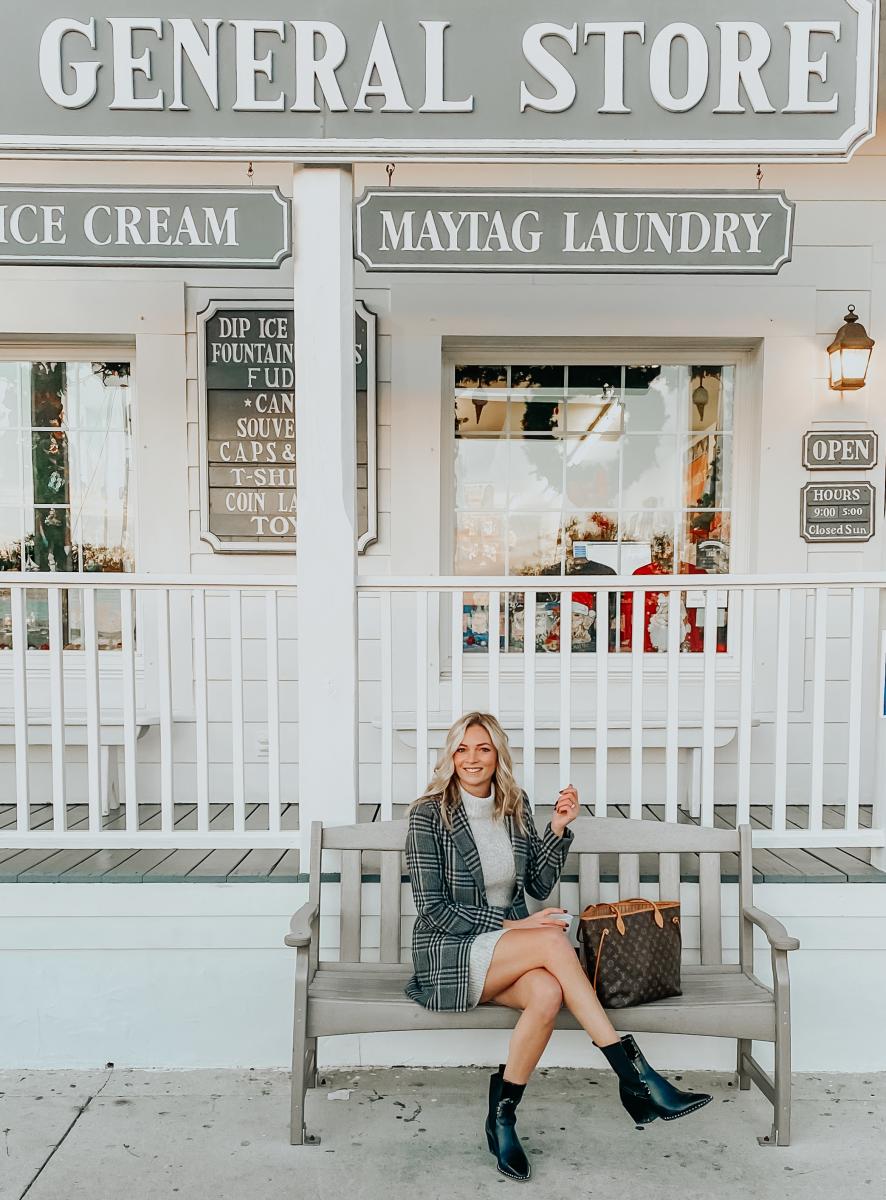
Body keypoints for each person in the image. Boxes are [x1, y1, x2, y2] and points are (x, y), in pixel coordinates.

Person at [404, 712, 711, 1182]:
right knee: (548, 937)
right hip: (450, 952)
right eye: (462, 749)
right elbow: (432, 908)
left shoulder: (514, 803)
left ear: (497, 755)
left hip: (506, 950)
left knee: (548, 993)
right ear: (450, 756)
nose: (472, 759)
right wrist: (516, 925)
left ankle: (502, 1117)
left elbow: (539, 883)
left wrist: (559, 829)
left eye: (483, 748)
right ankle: (636, 1078)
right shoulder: (430, 814)